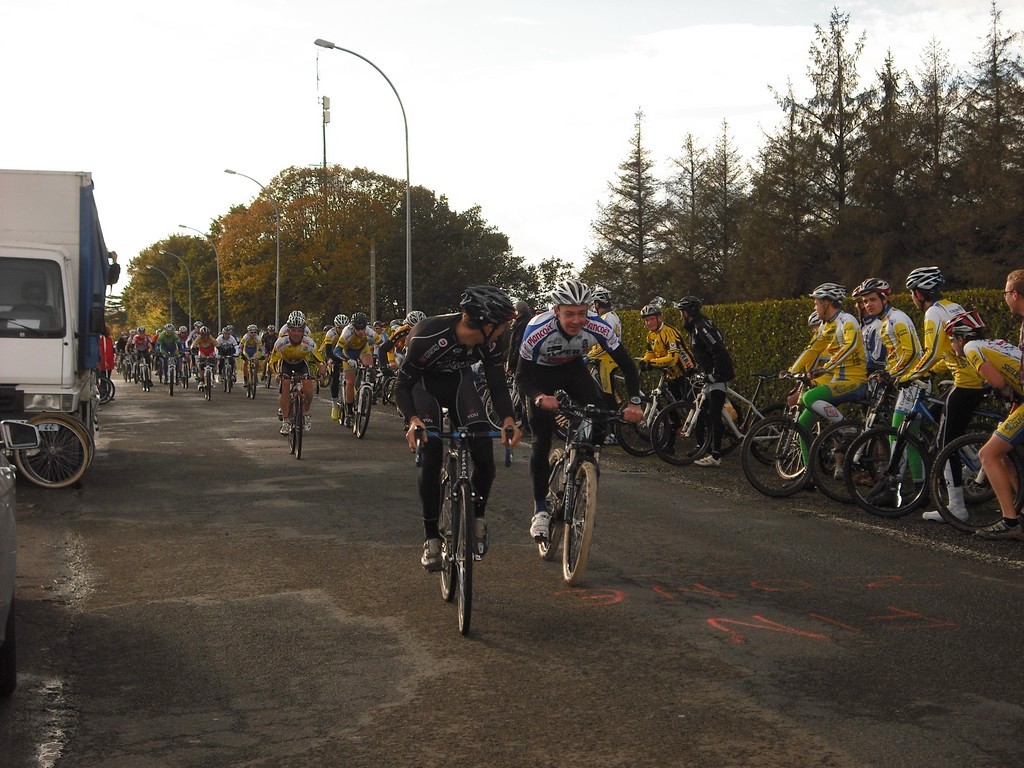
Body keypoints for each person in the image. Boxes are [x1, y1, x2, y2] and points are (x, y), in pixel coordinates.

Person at [395, 286, 522, 570]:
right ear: (487, 325)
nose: (505, 331)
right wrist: (413, 419)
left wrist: (508, 420)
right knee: (432, 452)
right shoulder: (426, 335)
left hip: (459, 385)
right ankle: (431, 538)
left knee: (484, 454)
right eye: (503, 325)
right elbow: (402, 385)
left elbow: (497, 384)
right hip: (424, 386)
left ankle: (476, 518)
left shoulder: (491, 342)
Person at [516, 279, 644, 542]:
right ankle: (540, 510)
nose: (576, 320)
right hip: (540, 376)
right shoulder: (536, 330)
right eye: (569, 314)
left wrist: (634, 402)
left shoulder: (600, 327)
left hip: (573, 370)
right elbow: (521, 377)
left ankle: (585, 469)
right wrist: (539, 396)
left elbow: (629, 366)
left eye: (582, 313)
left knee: (600, 419)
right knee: (540, 441)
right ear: (556, 311)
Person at [898, 266, 985, 523]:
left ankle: (957, 506)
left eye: (912, 294)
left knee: (946, 443)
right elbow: (948, 351)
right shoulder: (952, 306)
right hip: (973, 376)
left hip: (967, 382)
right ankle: (972, 460)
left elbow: (932, 351)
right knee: (937, 418)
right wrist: (931, 372)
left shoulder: (932, 313)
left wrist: (909, 375)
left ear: (918, 293)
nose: (913, 299)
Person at [941, 309, 1024, 540]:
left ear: (960, 337)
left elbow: (996, 380)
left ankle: (1009, 522)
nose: (952, 344)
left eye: (951, 339)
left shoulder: (971, 348)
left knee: (987, 454)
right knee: (1004, 456)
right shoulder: (994, 343)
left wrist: (991, 386)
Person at [853, 278, 925, 493]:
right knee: (907, 438)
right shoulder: (886, 320)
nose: (868, 305)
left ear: (885, 298)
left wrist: (889, 373)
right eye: (865, 301)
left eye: (873, 299)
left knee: (898, 435)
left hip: (914, 382)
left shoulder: (897, 319)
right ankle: (918, 488)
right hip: (907, 383)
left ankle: (894, 487)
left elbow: (910, 352)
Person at [787, 283, 868, 464]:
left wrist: (827, 367)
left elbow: (850, 346)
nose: (814, 307)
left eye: (816, 303)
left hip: (855, 381)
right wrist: (792, 370)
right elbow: (812, 349)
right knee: (802, 424)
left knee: (809, 397)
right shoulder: (826, 325)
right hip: (837, 381)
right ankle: (809, 474)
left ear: (826, 303)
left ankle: (847, 429)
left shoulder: (847, 321)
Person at [676, 296, 736, 467]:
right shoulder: (696, 327)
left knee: (714, 415)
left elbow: (718, 350)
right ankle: (704, 447)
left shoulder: (701, 328)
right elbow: (703, 354)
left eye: (682, 312)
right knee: (703, 411)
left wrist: (715, 374)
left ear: (689, 313)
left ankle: (716, 455)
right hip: (709, 373)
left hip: (718, 375)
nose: (681, 315)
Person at [269, 311, 325, 434]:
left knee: (309, 390)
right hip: (285, 363)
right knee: (285, 385)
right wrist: (277, 374)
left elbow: (320, 361)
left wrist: (321, 374)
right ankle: (286, 421)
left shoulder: (309, 342)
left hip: (301, 363)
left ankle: (305, 412)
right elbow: (273, 361)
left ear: (303, 332)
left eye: (299, 331)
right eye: (293, 330)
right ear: (288, 331)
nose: (296, 334)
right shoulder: (281, 342)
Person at [333, 312, 375, 424]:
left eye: (363, 329)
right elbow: (336, 351)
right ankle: (349, 411)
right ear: (353, 326)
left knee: (370, 366)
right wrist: (347, 360)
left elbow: (382, 343)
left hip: (362, 350)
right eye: (358, 329)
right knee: (350, 382)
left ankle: (370, 389)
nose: (361, 331)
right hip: (348, 353)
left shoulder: (369, 330)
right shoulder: (347, 331)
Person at [586, 286, 622, 411]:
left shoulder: (607, 318)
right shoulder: (611, 316)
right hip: (604, 359)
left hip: (607, 361)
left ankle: (614, 426)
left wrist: (590, 356)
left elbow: (606, 344)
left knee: (608, 396)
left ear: (597, 303)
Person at [320, 314, 348, 421]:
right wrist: (329, 360)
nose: (341, 330)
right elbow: (328, 351)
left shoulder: (349, 332)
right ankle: (334, 405)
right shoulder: (330, 334)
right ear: (335, 326)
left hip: (346, 355)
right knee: (335, 379)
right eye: (339, 328)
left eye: (344, 327)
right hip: (334, 356)